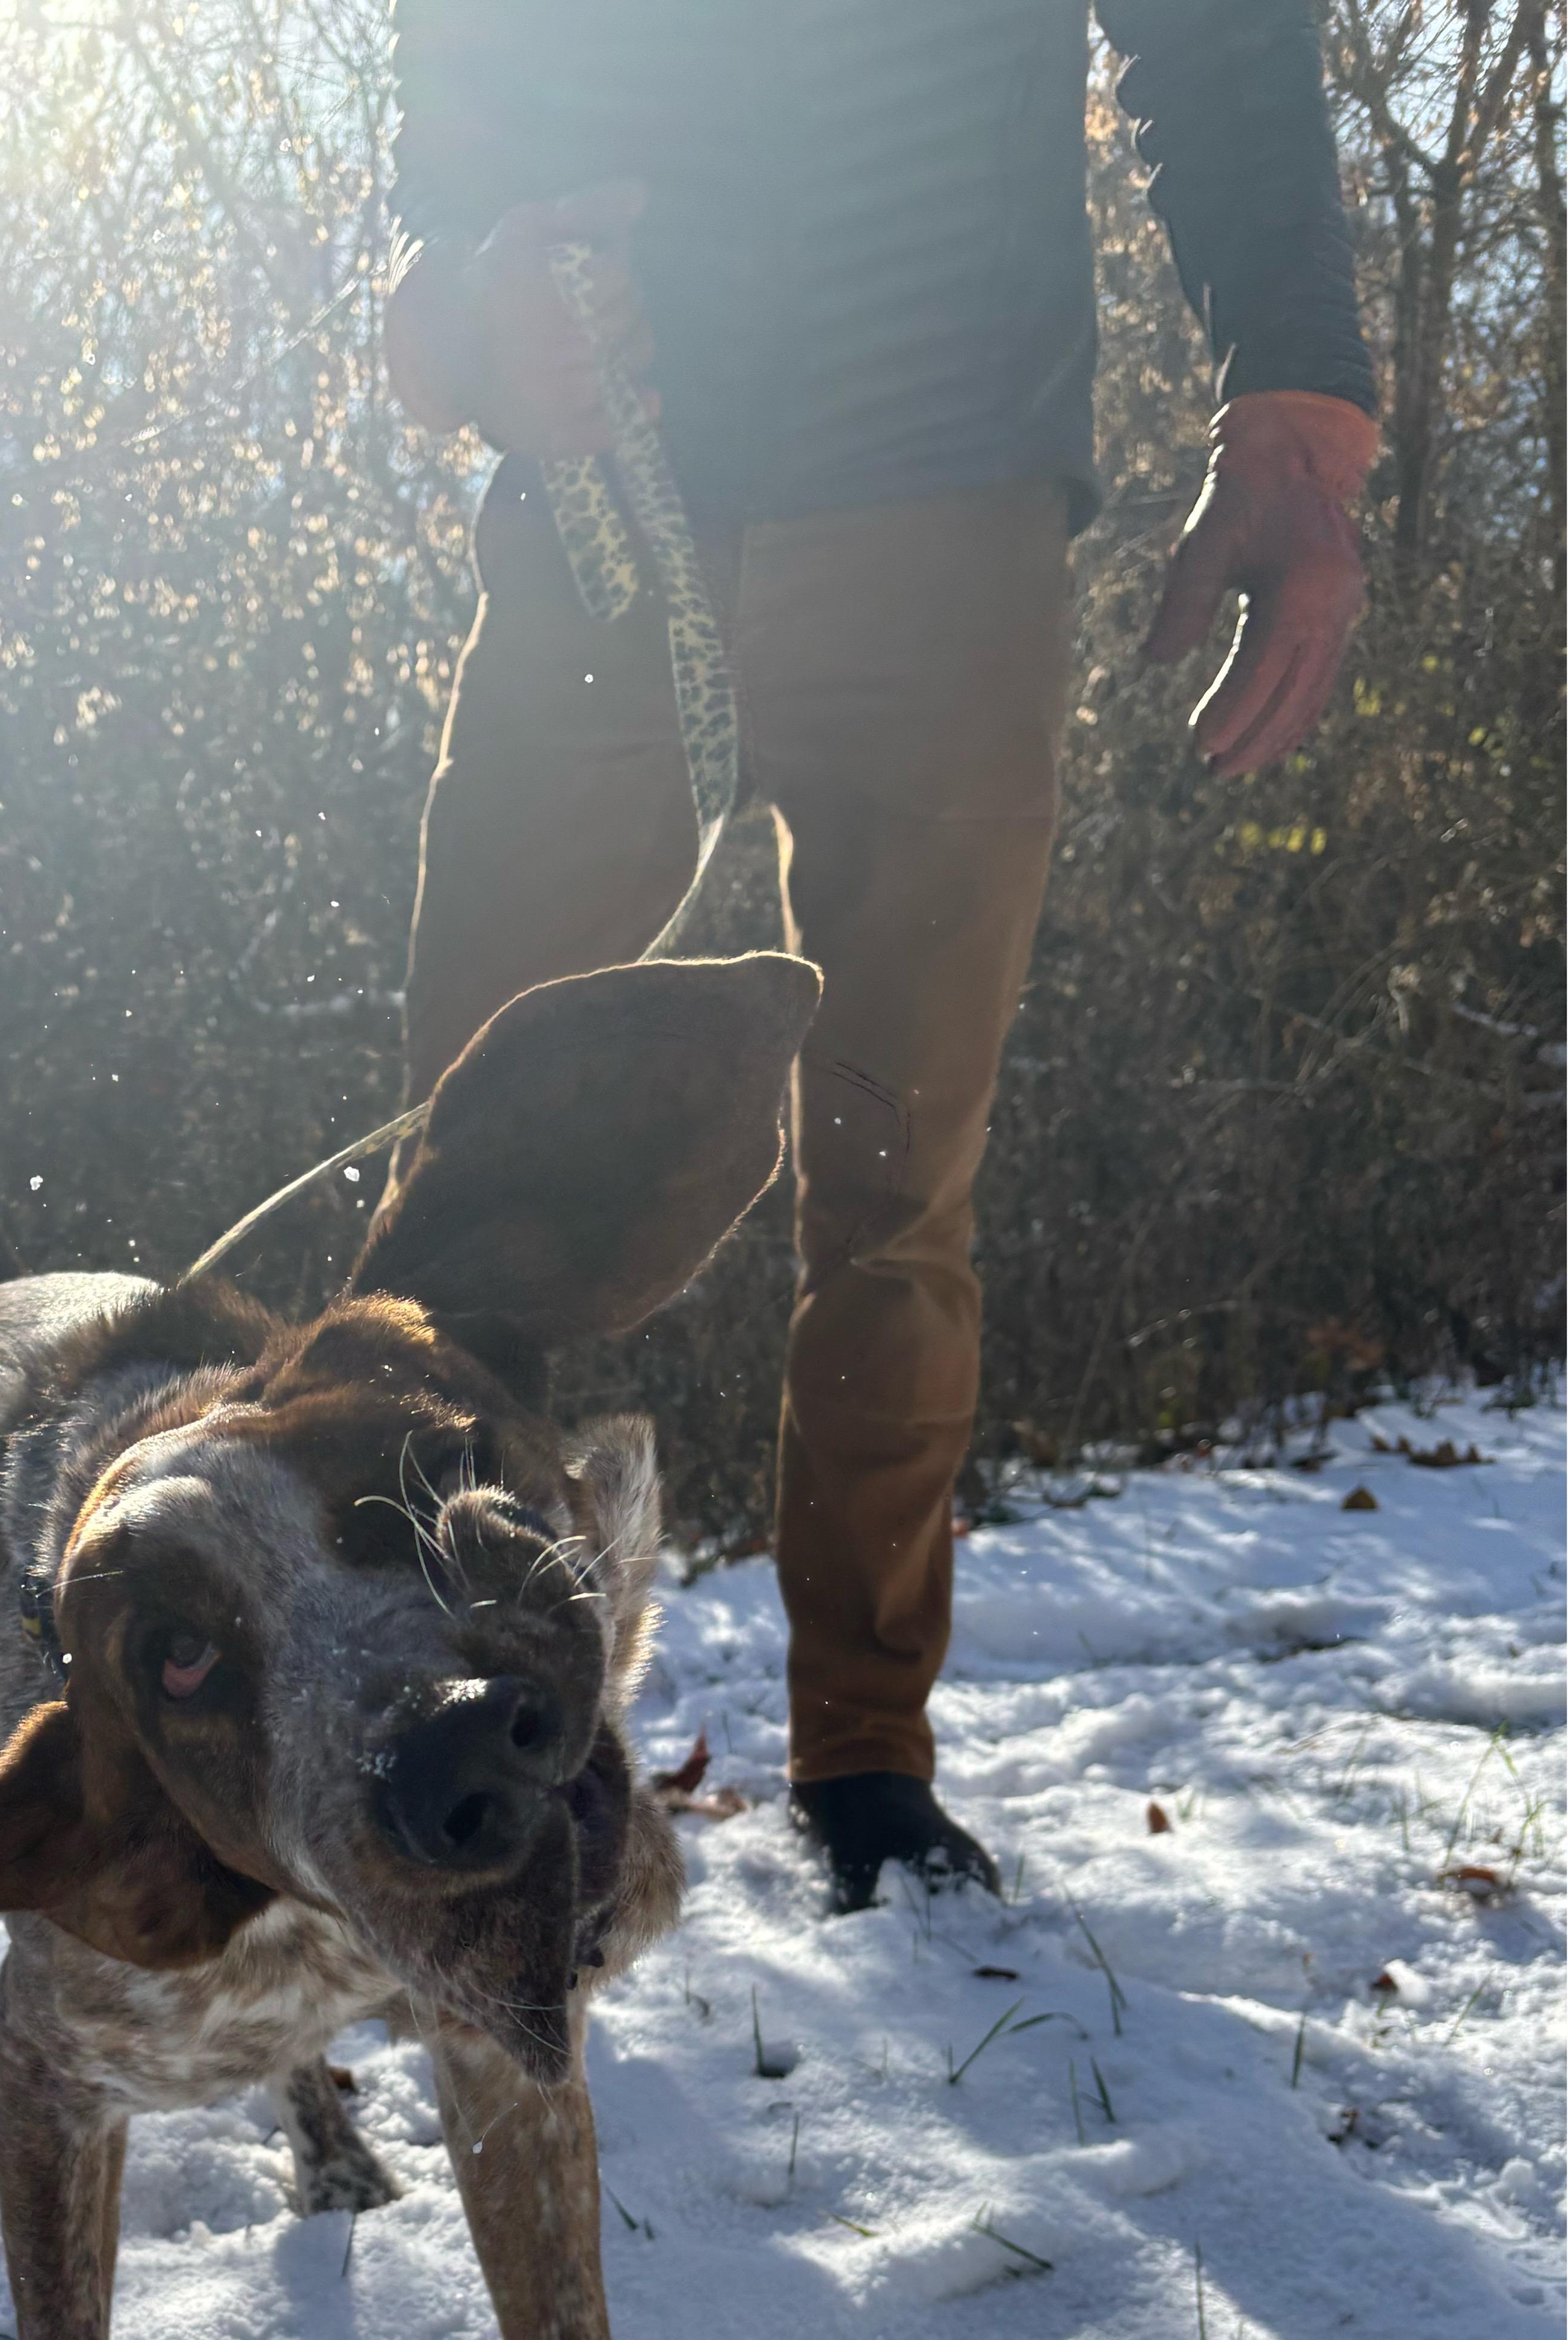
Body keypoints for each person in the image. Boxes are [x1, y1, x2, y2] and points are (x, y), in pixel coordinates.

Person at [383, 1, 1377, 1910]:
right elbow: (445, 141)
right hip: (591, 512)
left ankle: (864, 1766)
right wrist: (460, 317)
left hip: (945, 505)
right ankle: (435, 1725)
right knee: (452, 1182)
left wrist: (1299, 403)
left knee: (894, 1186)